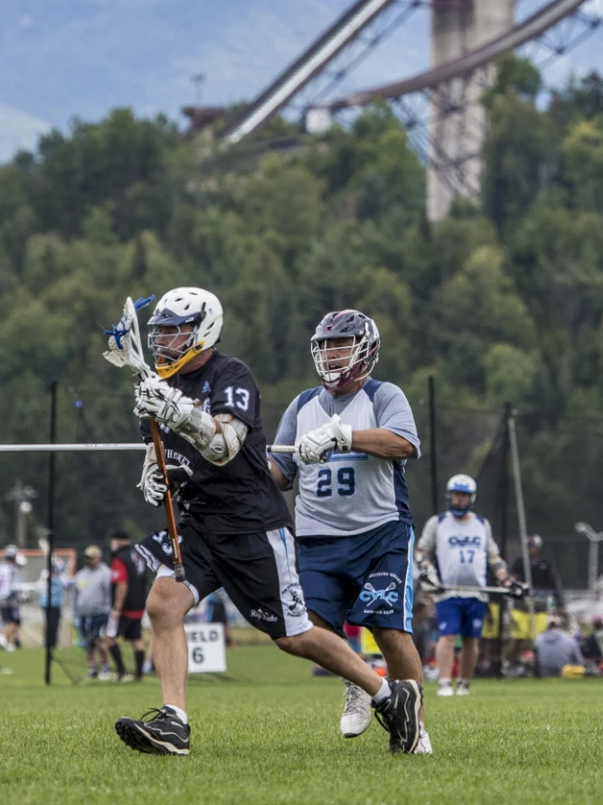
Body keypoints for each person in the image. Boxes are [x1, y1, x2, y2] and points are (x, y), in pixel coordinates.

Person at [114, 287, 423, 757]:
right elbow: (165, 451)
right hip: (200, 522)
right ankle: (175, 723)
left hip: (250, 524)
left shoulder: (231, 374)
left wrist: (177, 410)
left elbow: (224, 447)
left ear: (202, 332)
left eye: (176, 331)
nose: (165, 342)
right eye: (161, 332)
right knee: (162, 604)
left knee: (295, 636)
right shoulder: (160, 386)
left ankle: (386, 694)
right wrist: (156, 474)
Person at [269, 309, 428, 745]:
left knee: (389, 630)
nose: (332, 354)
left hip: (379, 532)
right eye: (325, 346)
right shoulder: (302, 405)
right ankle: (358, 682)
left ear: (365, 350)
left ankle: (413, 727)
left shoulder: (383, 396)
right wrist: (227, 462)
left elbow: (404, 443)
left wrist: (346, 436)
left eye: (340, 345)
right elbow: (278, 473)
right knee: (312, 626)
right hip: (318, 537)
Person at [418, 473, 513, 698]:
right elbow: (423, 552)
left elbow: (493, 556)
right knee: (448, 636)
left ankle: (463, 683)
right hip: (448, 591)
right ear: (449, 496)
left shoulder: (481, 524)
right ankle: (444, 682)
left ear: (471, 498)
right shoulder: (437, 523)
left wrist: (504, 578)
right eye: (456, 494)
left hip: (477, 593)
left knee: (471, 639)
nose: (459, 499)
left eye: (464, 495)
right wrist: (427, 572)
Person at [106, 530, 152, 682]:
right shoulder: (137, 556)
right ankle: (139, 675)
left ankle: (122, 672)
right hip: (139, 605)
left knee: (109, 637)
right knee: (136, 639)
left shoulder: (119, 558)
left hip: (125, 607)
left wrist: (117, 607)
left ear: (118, 541)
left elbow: (122, 584)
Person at [74, 545, 113, 679]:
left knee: (98, 640)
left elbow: (109, 594)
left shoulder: (105, 573)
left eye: (91, 558)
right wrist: (75, 613)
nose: (89, 560)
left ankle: (105, 666)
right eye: (87, 558)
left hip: (99, 614)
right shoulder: (80, 575)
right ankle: (91, 668)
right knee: (88, 643)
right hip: (84, 614)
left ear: (98, 558)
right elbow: (75, 595)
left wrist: (108, 610)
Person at [0, 545, 24, 652]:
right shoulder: (12, 569)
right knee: (13, 622)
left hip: (0, 597)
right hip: (9, 597)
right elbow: (16, 585)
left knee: (5, 622)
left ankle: (6, 642)